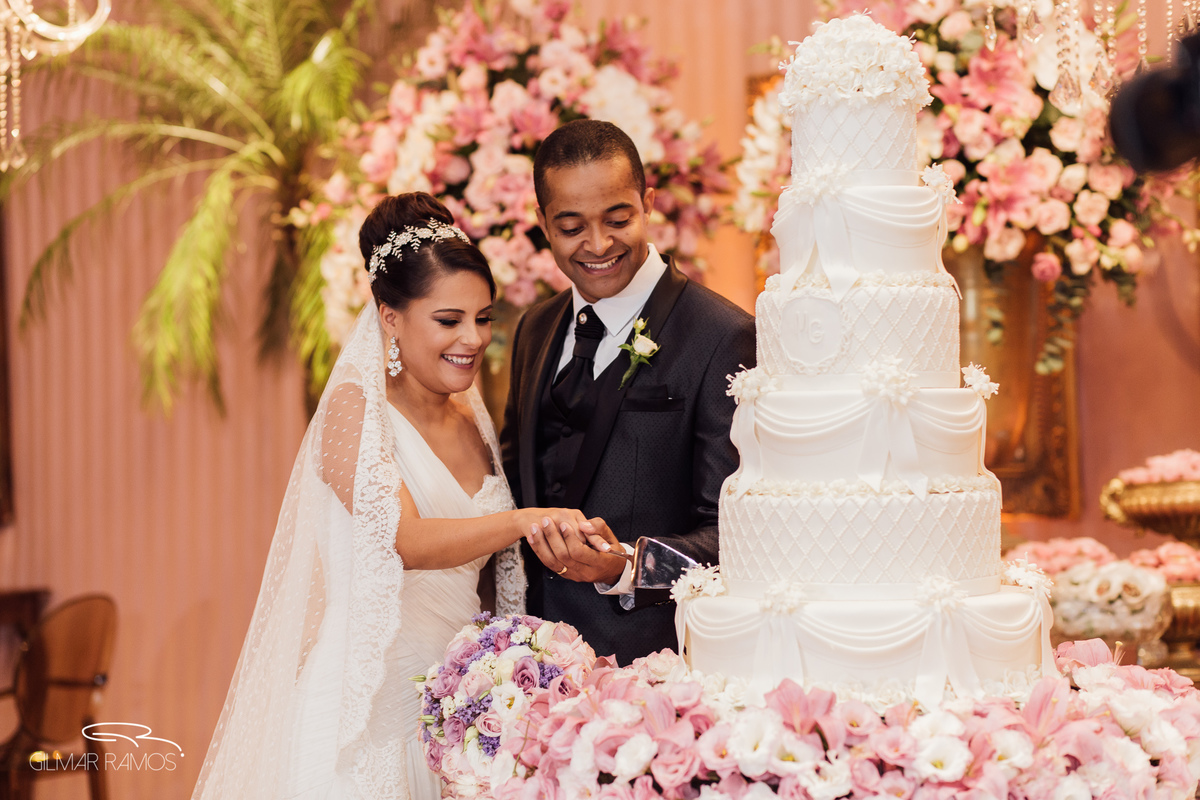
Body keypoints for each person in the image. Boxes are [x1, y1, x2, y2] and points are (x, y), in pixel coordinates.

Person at [192, 193, 602, 799]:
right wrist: (523, 520)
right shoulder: (352, 411)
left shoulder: (472, 416)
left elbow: (487, 577)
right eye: (448, 320)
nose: (472, 338)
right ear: (390, 317)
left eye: (483, 318)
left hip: (461, 708)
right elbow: (403, 539)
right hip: (370, 712)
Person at [501, 120, 756, 666]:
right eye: (571, 227)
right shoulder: (533, 329)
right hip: (525, 665)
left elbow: (740, 537)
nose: (598, 245)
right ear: (542, 221)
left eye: (618, 219)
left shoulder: (721, 335)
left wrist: (626, 566)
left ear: (648, 204)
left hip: (647, 671)